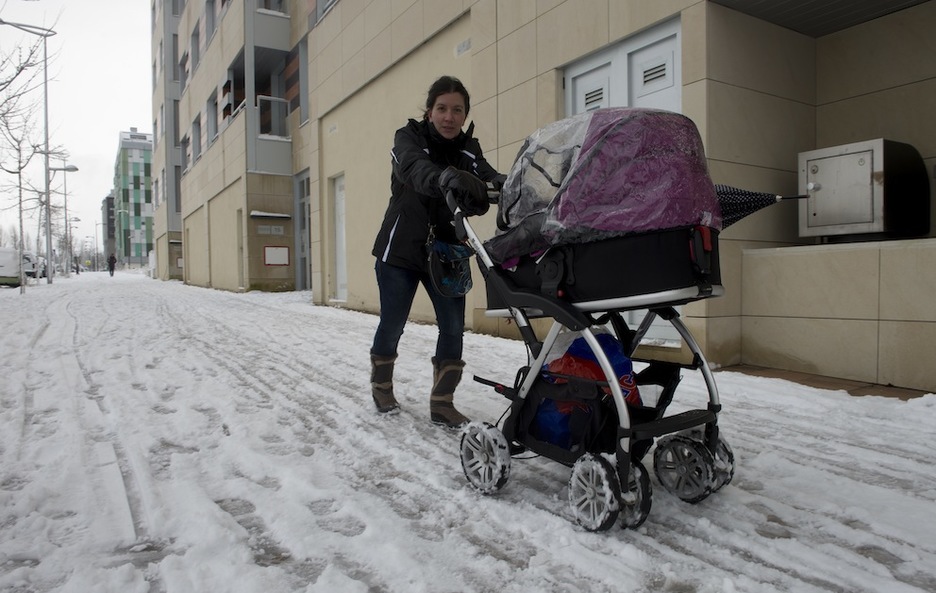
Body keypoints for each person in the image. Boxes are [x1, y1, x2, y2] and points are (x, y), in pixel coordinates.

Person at [370, 75, 504, 428]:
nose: (449, 117)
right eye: (442, 108)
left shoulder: (468, 150)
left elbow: (487, 178)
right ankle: (381, 384)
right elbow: (415, 169)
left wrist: (509, 186)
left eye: (457, 110)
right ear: (429, 111)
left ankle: (442, 402)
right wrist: (447, 178)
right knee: (393, 322)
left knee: (453, 326)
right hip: (399, 251)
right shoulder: (407, 138)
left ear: (464, 115)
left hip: (446, 252)